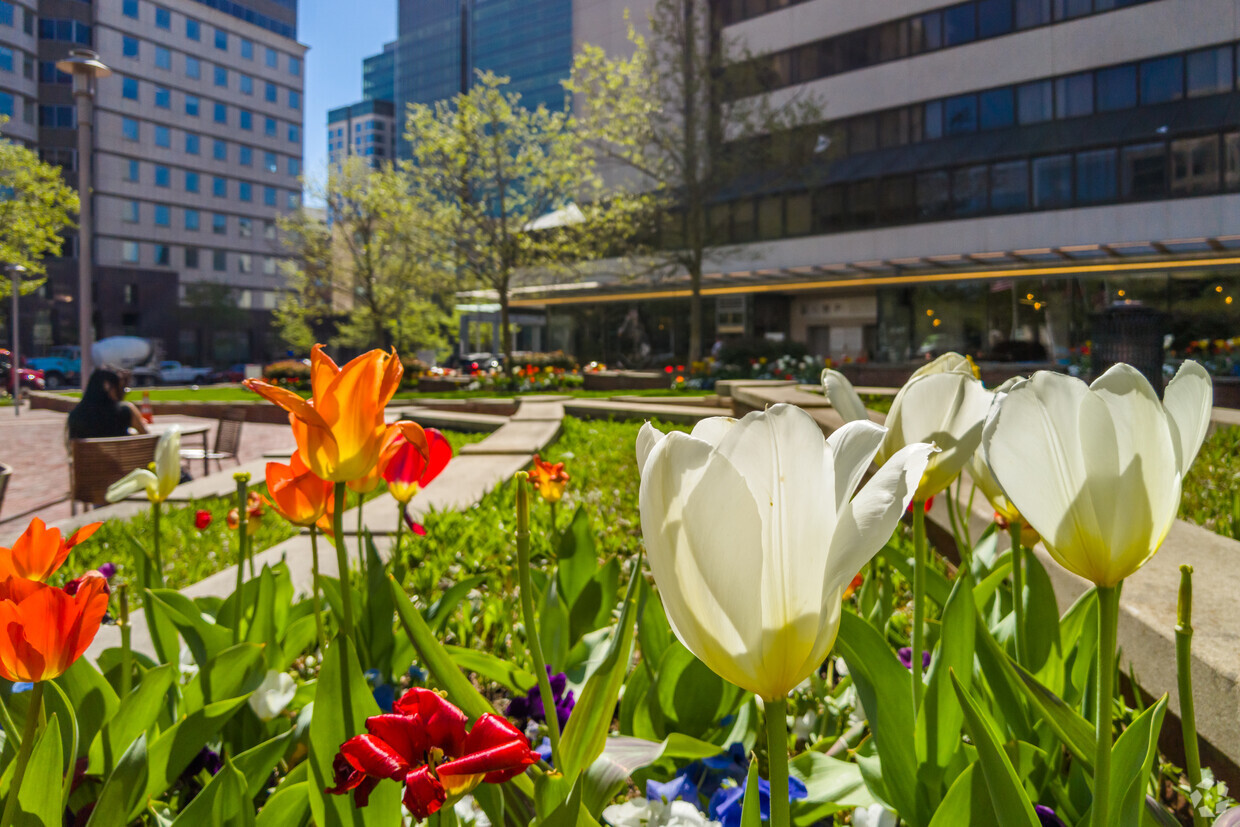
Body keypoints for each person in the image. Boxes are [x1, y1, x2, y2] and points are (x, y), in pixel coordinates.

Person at [67, 367, 149, 440]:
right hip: (118, 456)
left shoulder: (75, 416)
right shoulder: (125, 411)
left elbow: (73, 448)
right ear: (109, 387)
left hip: (88, 457)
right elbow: (146, 436)